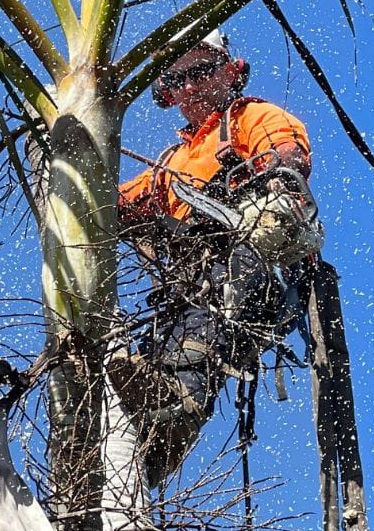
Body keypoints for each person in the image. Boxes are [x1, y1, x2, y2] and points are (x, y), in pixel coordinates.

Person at [112, 29, 321, 477]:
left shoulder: (250, 118)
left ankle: (178, 406)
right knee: (167, 333)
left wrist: (277, 175)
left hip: (259, 271)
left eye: (200, 72)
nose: (188, 87)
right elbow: (117, 207)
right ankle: (147, 443)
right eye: (175, 79)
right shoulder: (171, 162)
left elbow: (285, 150)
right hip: (191, 292)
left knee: (231, 276)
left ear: (230, 71)